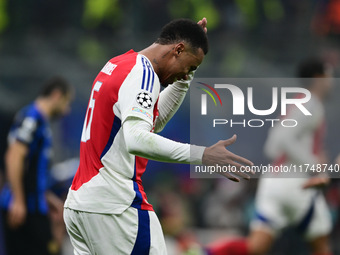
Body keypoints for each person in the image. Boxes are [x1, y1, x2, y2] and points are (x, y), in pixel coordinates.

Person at [63, 17, 254, 255]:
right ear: (178, 49)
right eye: (190, 66)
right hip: (115, 206)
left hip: (82, 205)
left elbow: (152, 123)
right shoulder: (144, 74)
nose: (186, 74)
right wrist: (202, 155)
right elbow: (137, 139)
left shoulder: (119, 63)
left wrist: (187, 79)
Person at [207, 57, 334, 255]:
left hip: (273, 183)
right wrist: (314, 163)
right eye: (328, 75)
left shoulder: (298, 101)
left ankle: (206, 252)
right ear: (317, 78)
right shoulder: (312, 105)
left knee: (256, 247)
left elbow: (272, 147)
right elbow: (281, 137)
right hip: (296, 185)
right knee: (321, 245)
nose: (331, 81)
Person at [0, 77, 73, 255]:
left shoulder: (40, 121)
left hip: (34, 205)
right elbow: (14, 156)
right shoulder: (32, 118)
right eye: (66, 102)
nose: (67, 109)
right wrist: (18, 200)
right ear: (56, 95)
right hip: (24, 208)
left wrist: (47, 197)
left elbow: (30, 170)